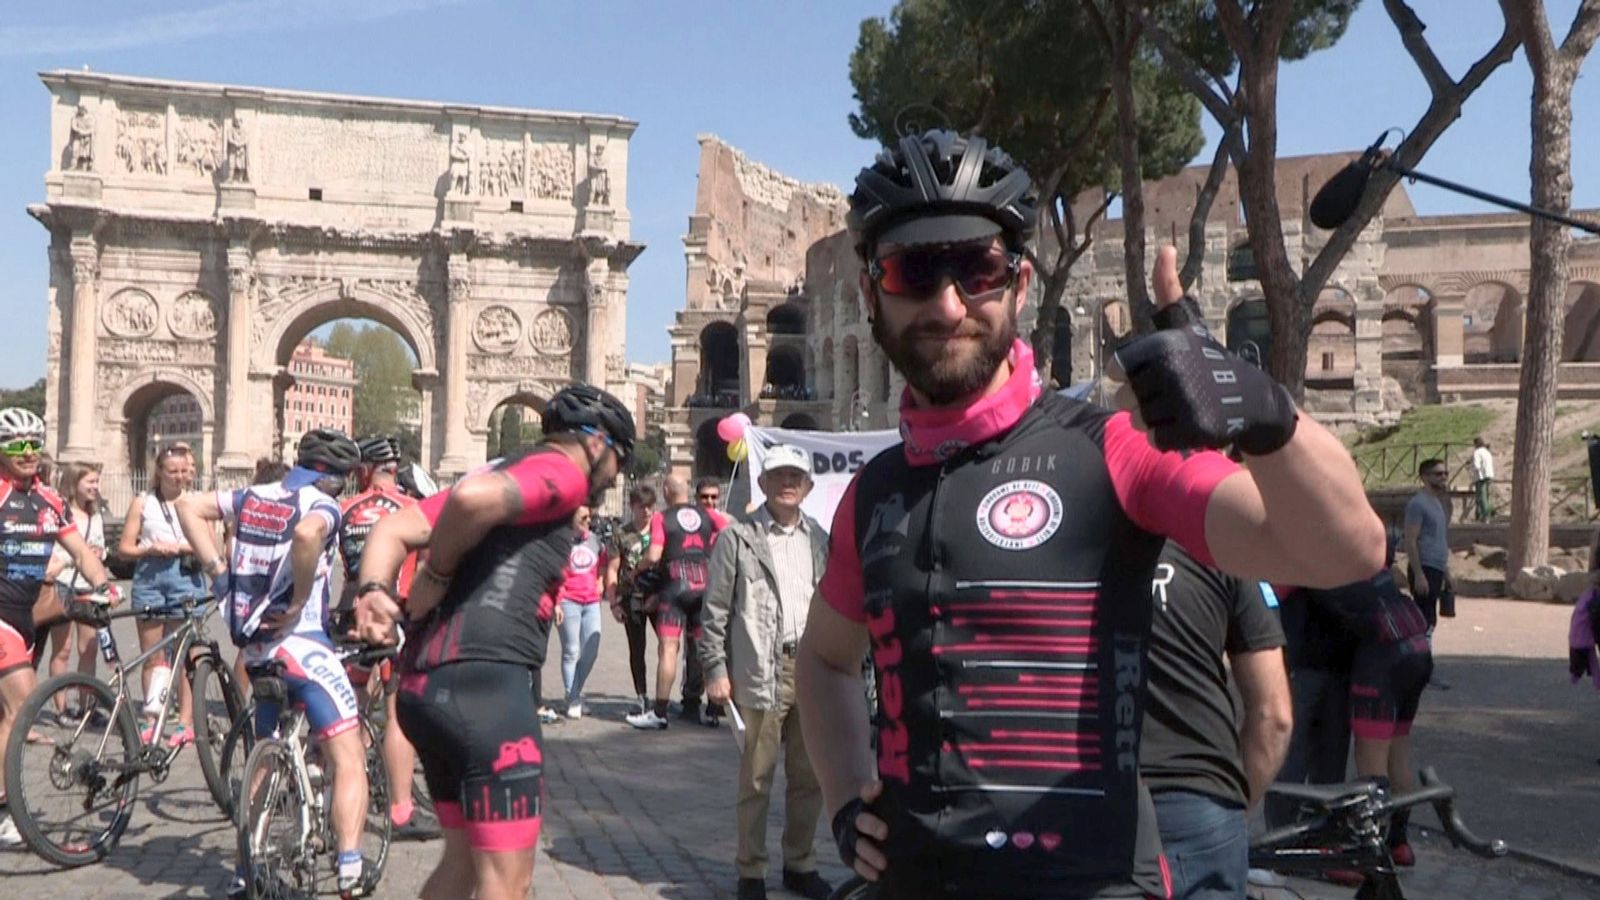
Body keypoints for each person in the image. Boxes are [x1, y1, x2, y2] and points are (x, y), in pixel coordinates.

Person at [797, 129, 1384, 900]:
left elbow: (1345, 551)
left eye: (977, 268)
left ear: (1019, 283)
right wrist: (846, 801)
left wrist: (1266, 413)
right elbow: (823, 661)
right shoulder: (872, 492)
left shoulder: (1110, 449)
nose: (948, 304)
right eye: (915, 270)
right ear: (872, 293)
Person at [350, 384, 634, 900]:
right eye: (620, 461)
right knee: (507, 884)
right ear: (597, 445)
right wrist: (437, 572)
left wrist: (372, 590)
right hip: (486, 691)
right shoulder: (564, 472)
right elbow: (470, 501)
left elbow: (393, 528)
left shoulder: (504, 467)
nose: (615, 477)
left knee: (461, 869)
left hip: (423, 689)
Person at [177, 429, 369, 900]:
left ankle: (247, 864)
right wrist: (301, 595)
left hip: (258, 651)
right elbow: (307, 534)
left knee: (266, 753)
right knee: (348, 756)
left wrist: (219, 575)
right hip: (303, 646)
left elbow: (187, 507)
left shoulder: (254, 495)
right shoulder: (322, 503)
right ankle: (349, 868)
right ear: (337, 479)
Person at [700, 445, 833, 900]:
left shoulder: (819, 538)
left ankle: (800, 863)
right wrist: (716, 669)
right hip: (762, 668)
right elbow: (714, 611)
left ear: (808, 486)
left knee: (809, 777)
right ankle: (751, 871)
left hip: (812, 669)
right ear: (763, 484)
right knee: (756, 778)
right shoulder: (738, 539)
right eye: (778, 475)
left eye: (796, 475)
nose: (787, 482)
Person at [1139, 543, 1292, 899]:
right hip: (1199, 805)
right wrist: (1235, 805)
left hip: (1096, 801)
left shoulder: (1074, 543)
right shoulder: (1222, 545)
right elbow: (1275, 715)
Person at [0, 408, 117, 848]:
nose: (28, 453)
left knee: (8, 716)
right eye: (17, 445)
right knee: (26, 702)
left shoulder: (50, 500)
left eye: (34, 443)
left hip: (27, 617)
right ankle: (10, 809)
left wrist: (103, 584)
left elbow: (81, 550)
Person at [1302, 539, 1433, 868]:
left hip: (1382, 659)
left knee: (1370, 760)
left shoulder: (1328, 568)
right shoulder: (1369, 553)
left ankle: (1370, 849)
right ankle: (1399, 843)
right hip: (1417, 646)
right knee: (1398, 754)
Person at [337, 435, 437, 842]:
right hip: (396, 617)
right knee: (397, 716)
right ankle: (400, 809)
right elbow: (430, 569)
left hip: (351, 616)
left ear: (363, 471)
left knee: (350, 712)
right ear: (395, 470)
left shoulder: (344, 508)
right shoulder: (412, 509)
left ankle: (348, 793)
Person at [117, 444, 207, 747]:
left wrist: (184, 546)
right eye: (173, 471)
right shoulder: (142, 502)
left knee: (185, 657)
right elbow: (125, 548)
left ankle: (185, 722)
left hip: (186, 576)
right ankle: (152, 717)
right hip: (151, 577)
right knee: (152, 654)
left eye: (184, 471)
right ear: (160, 472)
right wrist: (150, 548)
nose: (180, 477)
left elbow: (212, 547)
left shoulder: (198, 502)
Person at [626, 476, 725, 730]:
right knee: (706, 650)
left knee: (668, 649)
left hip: (675, 587)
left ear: (667, 491)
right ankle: (713, 710)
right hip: (703, 586)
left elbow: (654, 554)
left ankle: (659, 712)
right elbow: (729, 529)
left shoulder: (662, 517)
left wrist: (637, 570)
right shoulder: (706, 514)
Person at [44, 462, 106, 720]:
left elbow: (101, 547)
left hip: (87, 587)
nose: (95, 487)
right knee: (62, 649)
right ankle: (61, 708)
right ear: (73, 482)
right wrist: (74, 559)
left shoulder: (96, 515)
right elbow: (55, 551)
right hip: (62, 584)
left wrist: (101, 554)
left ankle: (87, 705)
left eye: (96, 482)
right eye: (89, 482)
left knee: (88, 649)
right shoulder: (58, 512)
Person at [554, 505, 608, 719]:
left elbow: (603, 561)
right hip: (568, 600)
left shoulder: (594, 540)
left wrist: (601, 581)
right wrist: (557, 602)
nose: (588, 521)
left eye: (590, 517)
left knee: (591, 649)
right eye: (583, 518)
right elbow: (554, 574)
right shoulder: (560, 542)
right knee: (571, 650)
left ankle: (573, 690)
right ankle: (573, 697)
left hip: (592, 601)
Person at [607, 485, 657, 714]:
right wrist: (613, 602)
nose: (647, 512)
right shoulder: (622, 534)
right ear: (632, 507)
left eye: (650, 507)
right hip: (631, 595)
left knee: (669, 647)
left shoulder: (660, 530)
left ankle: (665, 695)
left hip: (658, 595)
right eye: (642, 507)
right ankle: (641, 694)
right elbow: (612, 569)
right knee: (637, 648)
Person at [1404, 458, 1455, 631]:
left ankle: (1424, 653)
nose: (1444, 477)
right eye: (1438, 474)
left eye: (1446, 473)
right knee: (1424, 618)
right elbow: (1410, 540)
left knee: (1430, 619)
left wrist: (1446, 572)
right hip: (1424, 566)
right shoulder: (1418, 504)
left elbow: (1439, 538)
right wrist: (1418, 574)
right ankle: (1420, 655)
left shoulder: (1438, 503)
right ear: (1425, 477)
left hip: (1436, 567)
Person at [1471, 437, 1495, 523]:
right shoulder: (1487, 452)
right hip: (1489, 475)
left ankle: (1485, 515)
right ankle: (1483, 513)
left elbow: (1477, 465)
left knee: (1482, 496)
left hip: (1480, 476)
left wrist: (1473, 470)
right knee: (1486, 495)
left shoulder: (1477, 452)